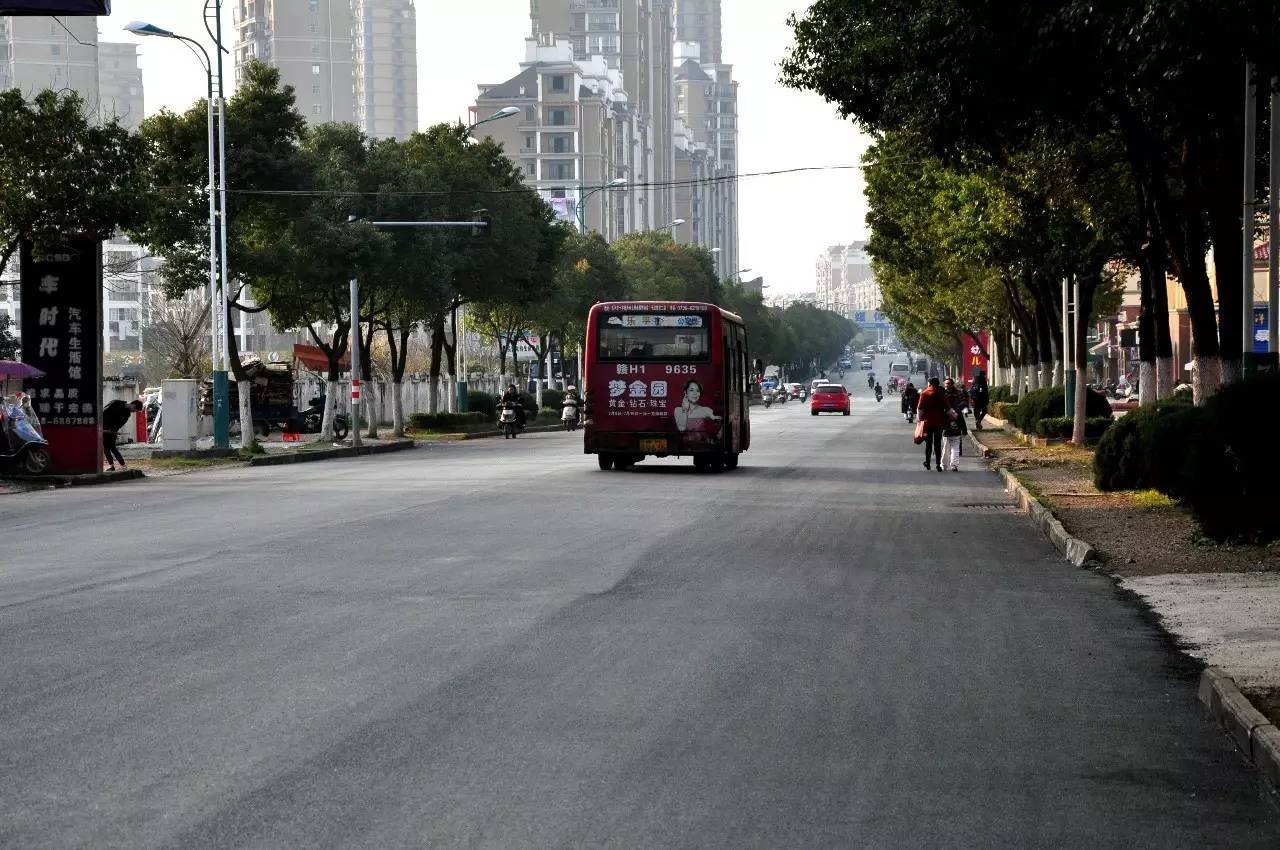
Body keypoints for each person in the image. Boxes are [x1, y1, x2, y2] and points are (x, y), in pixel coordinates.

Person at [102, 398, 143, 471]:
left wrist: (113, 430)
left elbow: (120, 424)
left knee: (112, 448)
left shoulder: (127, 414)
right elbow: (104, 411)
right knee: (106, 448)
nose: (134, 412)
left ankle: (121, 465)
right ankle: (113, 466)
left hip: (112, 431)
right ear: (133, 405)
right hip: (103, 428)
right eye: (135, 410)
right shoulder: (116, 402)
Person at [916, 377, 947, 471]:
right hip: (939, 422)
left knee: (928, 444)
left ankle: (928, 463)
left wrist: (919, 420)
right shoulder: (942, 393)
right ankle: (938, 464)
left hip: (927, 423)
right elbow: (948, 407)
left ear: (930, 383)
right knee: (937, 443)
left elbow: (920, 408)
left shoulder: (924, 393)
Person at [942, 378, 969, 471]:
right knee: (946, 446)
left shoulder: (959, 393)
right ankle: (943, 464)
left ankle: (954, 465)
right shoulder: (942, 393)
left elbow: (964, 402)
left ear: (952, 384)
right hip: (945, 420)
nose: (947, 385)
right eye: (945, 383)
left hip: (957, 418)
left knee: (956, 446)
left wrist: (956, 410)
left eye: (948, 383)